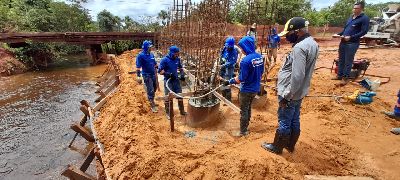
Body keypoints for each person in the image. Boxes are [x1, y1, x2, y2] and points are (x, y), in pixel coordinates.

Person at [261, 17, 319, 154]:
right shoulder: (312, 43)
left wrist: (287, 95)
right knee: (294, 118)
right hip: (300, 91)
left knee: (284, 120)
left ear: (297, 32)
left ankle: (277, 147)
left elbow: (297, 75)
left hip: (291, 92)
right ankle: (290, 145)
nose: (287, 37)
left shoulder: (299, 48)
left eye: (288, 34)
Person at [224, 36, 264, 136]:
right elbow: (261, 72)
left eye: (242, 47)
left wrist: (230, 81)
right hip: (255, 88)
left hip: (246, 90)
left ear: (246, 46)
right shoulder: (259, 57)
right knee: (248, 107)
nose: (241, 50)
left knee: (244, 110)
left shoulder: (245, 61)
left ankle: (243, 131)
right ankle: (246, 127)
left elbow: (241, 78)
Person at [332, 1, 369, 86]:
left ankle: (345, 78)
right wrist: (338, 34)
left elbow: (364, 31)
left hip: (352, 43)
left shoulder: (364, 18)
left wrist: (351, 37)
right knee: (341, 59)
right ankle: (339, 75)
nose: (354, 9)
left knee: (348, 61)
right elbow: (345, 30)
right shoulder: (351, 17)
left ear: (361, 9)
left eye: (357, 8)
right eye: (354, 8)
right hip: (343, 42)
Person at [158, 45, 187, 119]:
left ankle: (182, 111)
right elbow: (160, 71)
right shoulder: (165, 60)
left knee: (179, 95)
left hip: (176, 81)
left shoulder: (177, 59)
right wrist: (168, 74)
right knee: (168, 97)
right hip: (168, 81)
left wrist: (182, 74)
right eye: (176, 54)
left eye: (178, 53)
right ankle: (168, 113)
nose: (177, 55)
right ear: (171, 53)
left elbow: (180, 68)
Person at [136, 40, 158, 113]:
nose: (151, 48)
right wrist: (138, 76)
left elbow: (155, 64)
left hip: (153, 74)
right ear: (146, 47)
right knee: (151, 89)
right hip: (146, 75)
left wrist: (159, 68)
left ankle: (152, 100)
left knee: (154, 88)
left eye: (151, 47)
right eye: (149, 47)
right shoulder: (140, 55)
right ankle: (152, 105)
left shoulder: (151, 54)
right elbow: (138, 66)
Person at [220, 36, 239, 101]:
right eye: (227, 46)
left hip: (229, 69)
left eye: (229, 46)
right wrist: (220, 62)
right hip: (222, 67)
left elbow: (232, 62)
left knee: (227, 82)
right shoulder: (224, 48)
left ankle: (228, 99)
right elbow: (221, 55)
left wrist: (223, 65)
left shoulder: (234, 52)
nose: (227, 47)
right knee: (222, 81)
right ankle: (223, 96)